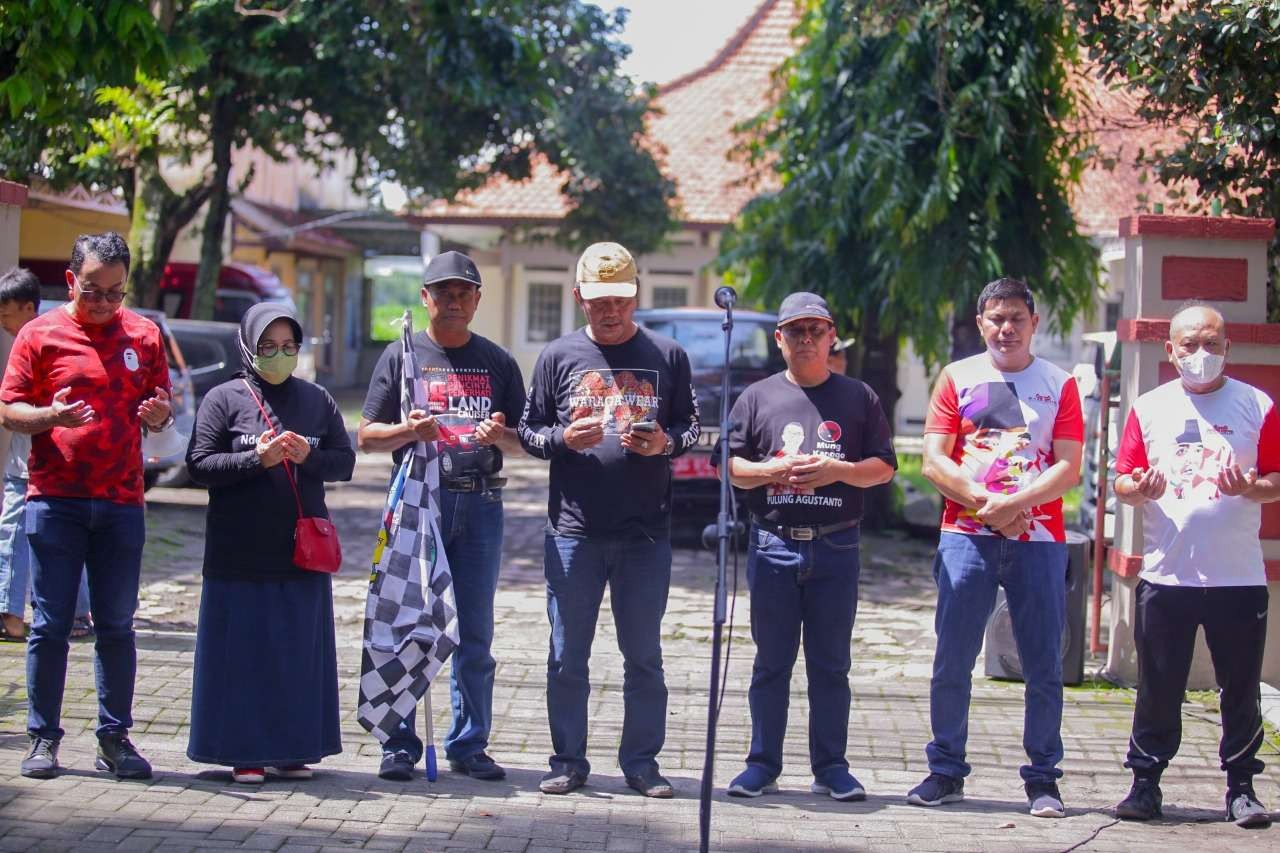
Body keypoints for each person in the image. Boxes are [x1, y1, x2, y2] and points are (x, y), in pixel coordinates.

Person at [518, 241, 700, 798]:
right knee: (567, 655)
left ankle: (642, 763)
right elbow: (529, 430)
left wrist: (665, 444)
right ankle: (567, 761)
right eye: (599, 301)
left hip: (646, 534)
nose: (611, 310)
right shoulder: (557, 356)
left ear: (636, 294)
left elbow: (691, 428)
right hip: (574, 533)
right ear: (578, 297)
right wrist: (559, 439)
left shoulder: (668, 355)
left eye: (620, 299)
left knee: (643, 656)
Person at [0, 232, 175, 780]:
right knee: (49, 626)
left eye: (115, 292)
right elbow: (9, 410)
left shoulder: (144, 335)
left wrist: (159, 415)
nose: (103, 302)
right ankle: (42, 737)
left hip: (122, 503)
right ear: (72, 281)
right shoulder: (39, 334)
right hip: (55, 501)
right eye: (93, 290)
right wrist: (49, 417)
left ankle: (114, 737)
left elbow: (163, 409)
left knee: (117, 625)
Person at [908, 277, 1083, 817]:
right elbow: (934, 461)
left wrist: (1018, 506)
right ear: (980, 322)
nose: (1006, 328)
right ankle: (945, 770)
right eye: (995, 319)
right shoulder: (956, 377)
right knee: (952, 659)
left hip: (1039, 540)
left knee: (1043, 662)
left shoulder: (1060, 383)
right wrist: (990, 505)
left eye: (1016, 318)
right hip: (966, 537)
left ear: (1035, 322)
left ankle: (1042, 779)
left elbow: (1068, 465)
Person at [358, 250, 525, 782]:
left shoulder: (498, 361)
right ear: (425, 297)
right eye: (443, 292)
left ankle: (469, 743)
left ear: (477, 300)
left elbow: (527, 440)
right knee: (409, 623)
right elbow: (365, 436)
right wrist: (409, 430)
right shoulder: (402, 357)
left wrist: (501, 435)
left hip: (480, 504)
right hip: (416, 505)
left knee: (474, 633)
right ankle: (399, 742)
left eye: (464, 293)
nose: (454, 302)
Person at [723, 292, 896, 801]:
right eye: (794, 331)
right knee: (770, 662)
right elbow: (728, 466)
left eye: (814, 330)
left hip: (836, 546)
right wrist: (770, 471)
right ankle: (762, 764)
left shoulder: (858, 396)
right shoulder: (756, 398)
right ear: (779, 339)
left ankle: (831, 767)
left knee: (830, 664)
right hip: (773, 544)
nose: (805, 339)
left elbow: (884, 468)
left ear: (830, 336)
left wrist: (837, 471)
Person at [1112, 302, 1278, 828]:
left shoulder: (1259, 405)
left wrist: (1252, 487)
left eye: (1212, 344)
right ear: (1170, 350)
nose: (1201, 354)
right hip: (1167, 577)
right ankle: (1145, 784)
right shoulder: (1149, 407)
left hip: (1238, 578)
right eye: (1189, 345)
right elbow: (1122, 481)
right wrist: (1139, 488)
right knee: (1159, 685)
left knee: (1242, 687)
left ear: (1228, 347)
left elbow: (1276, 480)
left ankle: (1243, 788)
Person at [184, 303, 354, 784]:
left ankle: (295, 748)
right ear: (248, 346)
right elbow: (199, 466)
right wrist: (253, 460)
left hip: (301, 554)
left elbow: (344, 461)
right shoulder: (224, 398)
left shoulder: (316, 399)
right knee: (244, 657)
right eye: (268, 347)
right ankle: (244, 752)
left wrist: (309, 456)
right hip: (239, 553)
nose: (280, 355)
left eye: (288, 347)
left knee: (297, 656)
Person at [0, 268, 94, 644]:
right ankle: (76, 614)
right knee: (68, 538)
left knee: (14, 533)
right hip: (47, 466)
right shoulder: (51, 337)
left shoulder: (40, 341)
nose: (2, 322)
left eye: (5, 314)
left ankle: (8, 614)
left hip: (34, 465)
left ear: (27, 308)